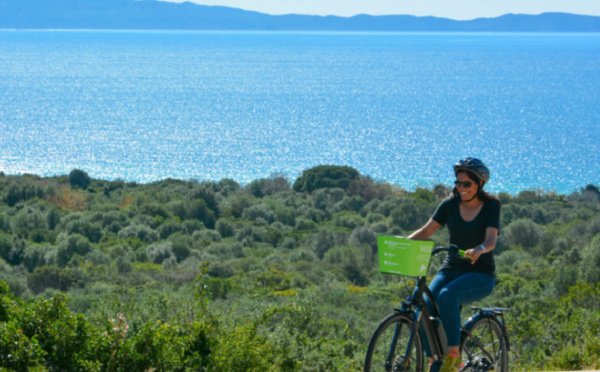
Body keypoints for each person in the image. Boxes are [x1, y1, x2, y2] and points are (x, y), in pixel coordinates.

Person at [408, 157, 501, 372]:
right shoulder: (450, 204)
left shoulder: (491, 206)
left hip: (480, 272)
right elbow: (425, 232)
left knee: (447, 295)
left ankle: (453, 357)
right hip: (451, 268)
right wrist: (399, 244)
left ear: (479, 184)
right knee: (422, 302)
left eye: (466, 184)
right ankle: (433, 359)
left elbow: (491, 240)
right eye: (458, 183)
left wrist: (479, 249)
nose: (461, 188)